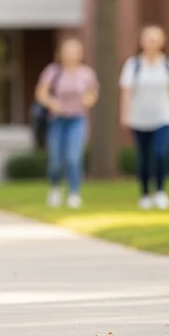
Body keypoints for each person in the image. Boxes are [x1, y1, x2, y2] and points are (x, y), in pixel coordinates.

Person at [119, 25, 169, 211]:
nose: (151, 42)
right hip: (139, 118)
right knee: (144, 157)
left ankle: (160, 191)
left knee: (160, 153)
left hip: (164, 116)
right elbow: (126, 92)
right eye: (148, 38)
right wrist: (124, 114)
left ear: (162, 41)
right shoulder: (133, 65)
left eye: (155, 38)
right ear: (141, 42)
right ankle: (145, 193)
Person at [34, 38, 100, 209]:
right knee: (56, 159)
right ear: (61, 53)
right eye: (68, 51)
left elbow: (93, 94)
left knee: (73, 157)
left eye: (75, 51)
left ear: (80, 54)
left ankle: (74, 193)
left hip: (77, 119)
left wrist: (88, 100)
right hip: (57, 120)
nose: (71, 54)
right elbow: (41, 93)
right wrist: (52, 103)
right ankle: (55, 188)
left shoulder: (86, 73)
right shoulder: (53, 71)